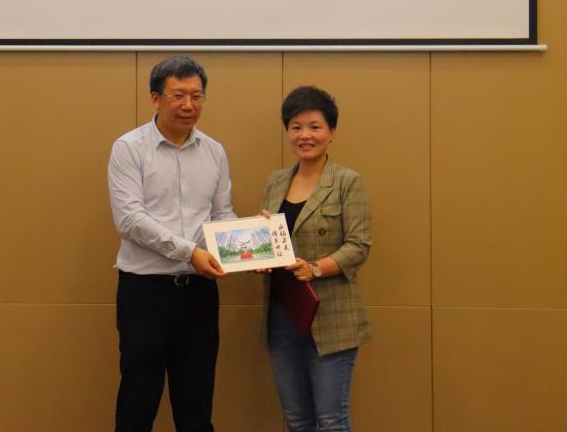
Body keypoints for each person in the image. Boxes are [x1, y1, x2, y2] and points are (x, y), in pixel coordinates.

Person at [108, 55, 235, 432]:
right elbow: (130, 220)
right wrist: (189, 252)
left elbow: (222, 213)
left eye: (197, 96)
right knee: (137, 402)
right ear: (155, 98)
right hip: (144, 293)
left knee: (196, 405)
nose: (188, 105)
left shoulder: (214, 151)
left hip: (199, 293)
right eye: (178, 95)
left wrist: (247, 245)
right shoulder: (129, 148)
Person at [259, 86, 371, 432]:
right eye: (296, 127)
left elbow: (359, 246)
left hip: (330, 315)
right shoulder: (275, 182)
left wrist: (315, 268)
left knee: (331, 421)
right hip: (282, 314)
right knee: (296, 420)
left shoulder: (348, 182)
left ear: (331, 131)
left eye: (314, 126)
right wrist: (260, 252)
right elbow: (272, 243)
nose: (304, 135)